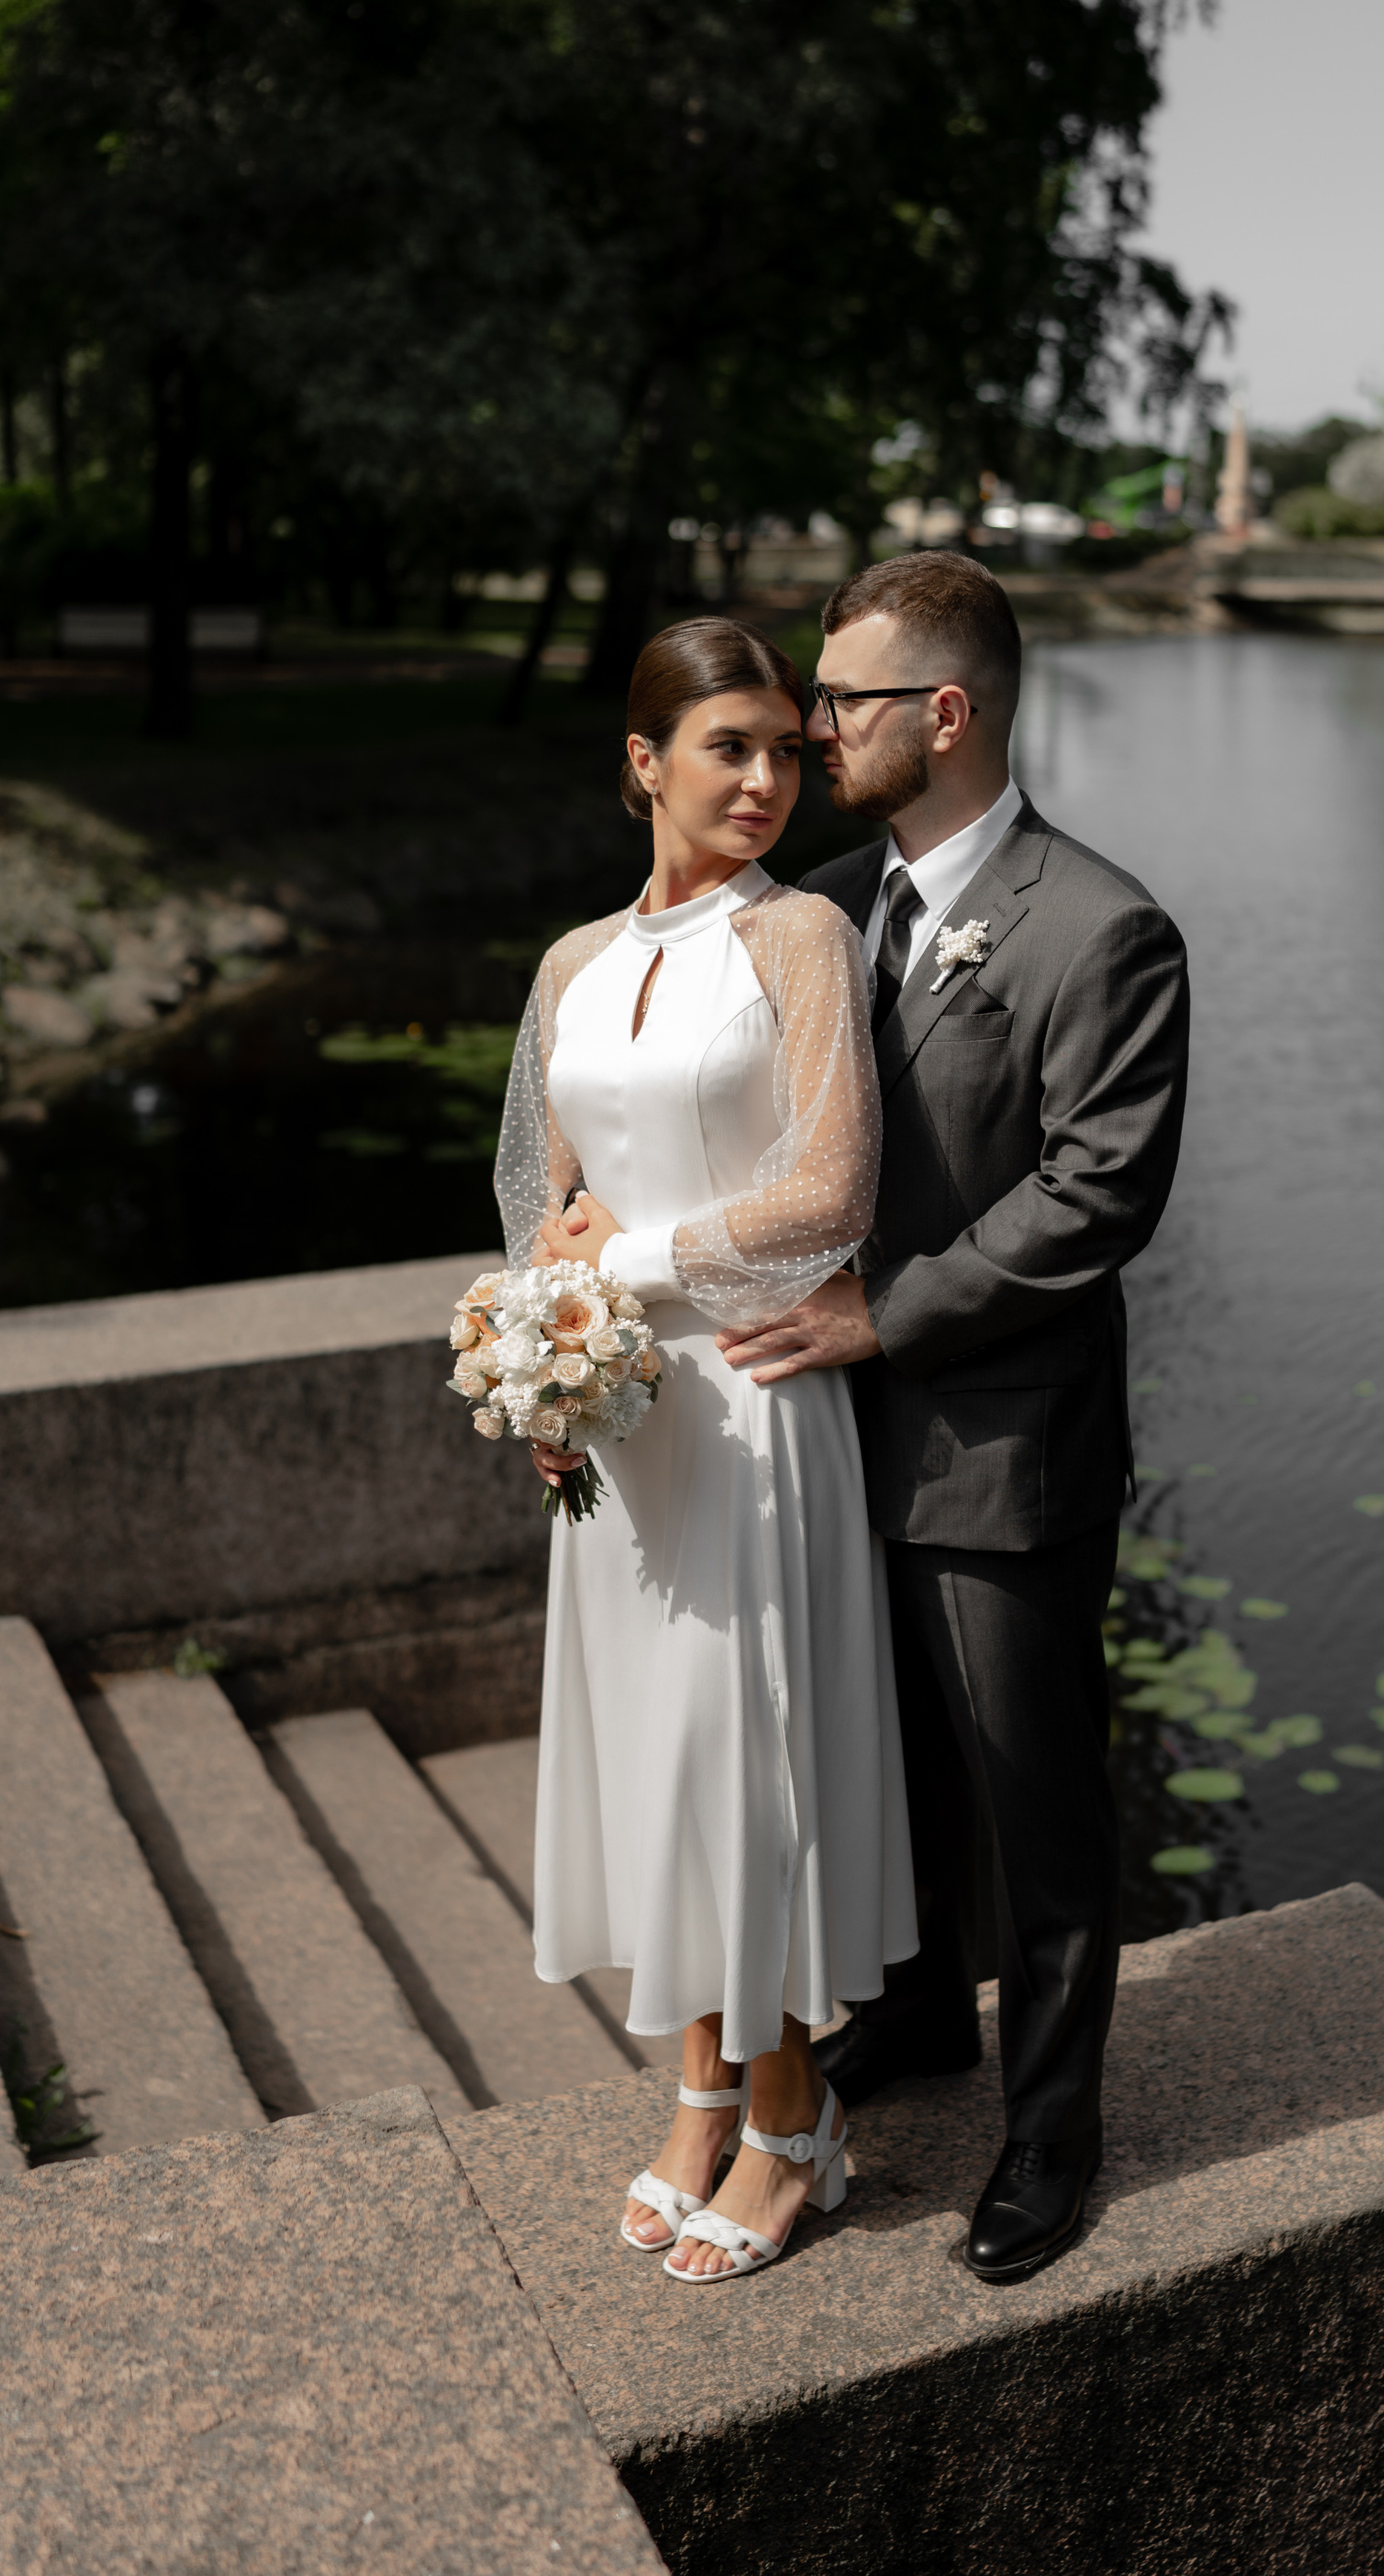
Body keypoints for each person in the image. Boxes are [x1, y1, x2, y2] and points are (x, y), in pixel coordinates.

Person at [716, 550, 1189, 2281]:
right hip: (832, 1448)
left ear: (945, 712)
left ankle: (1051, 2138)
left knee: (1033, 1809)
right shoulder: (825, 908)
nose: (810, 726)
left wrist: (880, 1316)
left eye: (841, 700)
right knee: (889, 1772)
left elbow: (1093, 1200)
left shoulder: (1102, 927)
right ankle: (915, 2024)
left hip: (1004, 1458)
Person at [497, 615, 916, 2286]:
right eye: (725, 747)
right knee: (652, 1768)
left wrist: (628, 1273)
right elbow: (536, 1188)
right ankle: (694, 2092)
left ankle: (794, 2114)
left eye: (784, 750)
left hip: (751, 1397)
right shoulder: (568, 967)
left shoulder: (802, 938)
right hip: (621, 1421)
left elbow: (830, 1199)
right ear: (642, 765)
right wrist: (543, 1356)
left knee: (748, 1768)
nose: (763, 779)